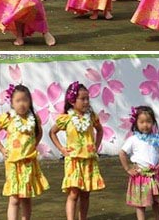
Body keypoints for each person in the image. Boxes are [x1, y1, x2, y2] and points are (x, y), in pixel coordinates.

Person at [0, 84, 49, 220]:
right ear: (11, 102)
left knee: (27, 197)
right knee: (15, 198)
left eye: (25, 100)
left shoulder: (33, 118)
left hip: (28, 163)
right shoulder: (8, 118)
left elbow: (39, 132)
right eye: (18, 100)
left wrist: (34, 145)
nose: (22, 104)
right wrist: (2, 149)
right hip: (13, 164)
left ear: (30, 101)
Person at [49, 82, 105, 220]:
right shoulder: (66, 118)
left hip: (89, 160)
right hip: (73, 160)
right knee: (74, 193)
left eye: (87, 98)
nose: (86, 102)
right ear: (72, 100)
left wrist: (96, 147)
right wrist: (62, 149)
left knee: (86, 193)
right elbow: (52, 132)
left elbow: (100, 130)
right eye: (82, 99)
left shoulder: (92, 116)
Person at [118, 106, 159, 220]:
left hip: (155, 175)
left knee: (156, 202)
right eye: (142, 122)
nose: (145, 125)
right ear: (136, 123)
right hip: (140, 176)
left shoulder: (157, 138)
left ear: (153, 122)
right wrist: (128, 169)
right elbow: (122, 153)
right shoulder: (133, 139)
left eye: (149, 121)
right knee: (140, 204)